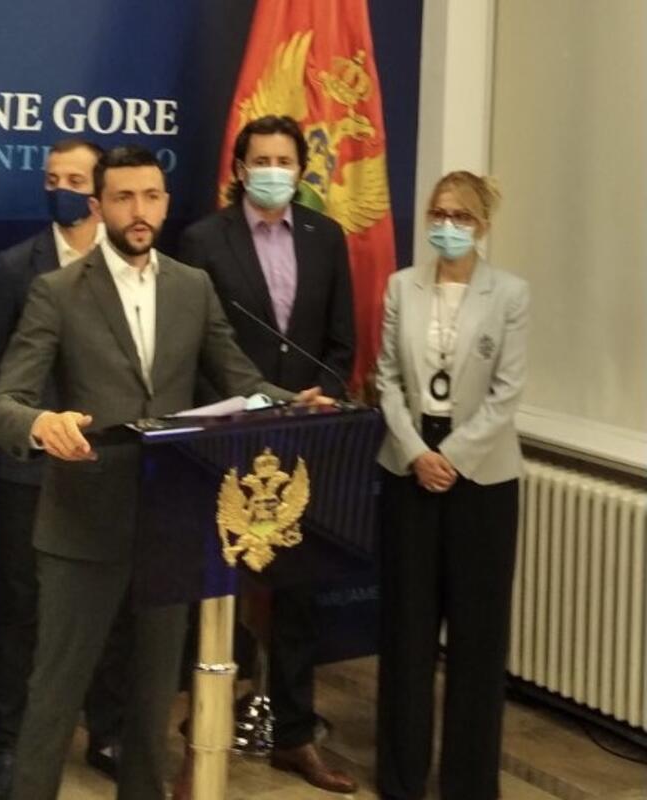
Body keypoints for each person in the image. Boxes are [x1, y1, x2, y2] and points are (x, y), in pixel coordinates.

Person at [0, 145, 329, 800]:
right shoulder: (57, 291)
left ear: (166, 203)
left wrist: (297, 405)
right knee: (53, 699)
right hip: (83, 525)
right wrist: (42, 424)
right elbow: (3, 405)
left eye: (150, 196)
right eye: (123, 197)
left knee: (149, 709)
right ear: (98, 205)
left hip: (169, 526)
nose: (138, 211)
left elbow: (241, 381)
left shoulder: (192, 287)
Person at [178, 114, 357, 793]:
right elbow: (195, 344)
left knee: (298, 594)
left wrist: (317, 404)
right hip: (230, 440)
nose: (275, 171)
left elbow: (340, 341)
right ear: (239, 168)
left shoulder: (326, 236)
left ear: (301, 170)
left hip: (307, 441)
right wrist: (248, 410)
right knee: (217, 595)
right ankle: (205, 731)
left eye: (286, 160)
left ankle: (293, 735)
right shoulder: (202, 240)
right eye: (263, 160)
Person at [0, 138, 128, 798]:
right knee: (24, 611)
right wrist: (41, 429)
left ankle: (109, 731)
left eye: (74, 179)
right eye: (52, 179)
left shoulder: (128, 267)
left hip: (111, 467)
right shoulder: (16, 268)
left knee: (112, 608)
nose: (60, 189)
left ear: (99, 192)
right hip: (33, 470)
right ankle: (10, 748)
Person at [375, 171, 528, 800]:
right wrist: (417, 452)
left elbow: (507, 392)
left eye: (461, 216)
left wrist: (454, 457)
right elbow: (386, 380)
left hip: (482, 478)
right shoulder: (401, 287)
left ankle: (468, 782)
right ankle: (401, 777)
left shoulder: (510, 293)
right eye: (439, 214)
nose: (448, 225)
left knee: (477, 637)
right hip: (408, 466)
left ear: (483, 225)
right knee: (407, 631)